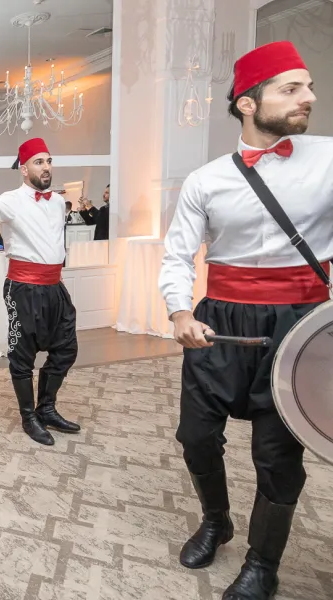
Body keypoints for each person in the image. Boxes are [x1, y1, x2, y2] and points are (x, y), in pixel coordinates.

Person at [159, 41, 331, 600]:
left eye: (307, 85)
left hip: (302, 325)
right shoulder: (205, 179)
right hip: (220, 321)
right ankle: (216, 520)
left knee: (277, 453)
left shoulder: (330, 159)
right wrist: (180, 310)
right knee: (195, 434)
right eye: (291, 88)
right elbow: (178, 255)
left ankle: (262, 562)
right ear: (248, 104)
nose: (309, 97)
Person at [0, 138, 81, 447]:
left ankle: (47, 408)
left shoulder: (56, 201)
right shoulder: (11, 199)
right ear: (24, 169)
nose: (46, 166)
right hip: (23, 287)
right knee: (23, 355)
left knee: (66, 348)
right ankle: (29, 417)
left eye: (49, 160)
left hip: (55, 286)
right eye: (39, 162)